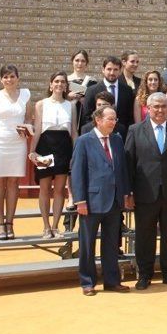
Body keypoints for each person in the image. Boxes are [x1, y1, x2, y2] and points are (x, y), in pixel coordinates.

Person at [125, 93, 167, 289]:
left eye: (164, 106)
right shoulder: (135, 130)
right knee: (144, 236)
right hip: (145, 194)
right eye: (156, 106)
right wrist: (128, 192)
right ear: (148, 107)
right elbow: (129, 164)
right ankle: (144, 275)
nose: (160, 110)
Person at [71, 106, 131, 296]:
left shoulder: (117, 140)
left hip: (113, 201)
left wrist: (125, 193)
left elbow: (122, 170)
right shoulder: (84, 141)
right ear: (98, 120)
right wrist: (80, 201)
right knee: (87, 244)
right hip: (91, 200)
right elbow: (77, 172)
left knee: (112, 244)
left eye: (115, 119)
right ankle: (87, 282)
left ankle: (112, 281)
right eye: (110, 119)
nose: (114, 122)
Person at [0, 65, 33, 240]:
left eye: (12, 76)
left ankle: (10, 223)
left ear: (18, 78)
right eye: (5, 77)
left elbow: (27, 118)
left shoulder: (25, 94)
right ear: (1, 80)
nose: (9, 80)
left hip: (18, 143)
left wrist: (26, 128)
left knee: (13, 182)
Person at [29, 71, 77, 239]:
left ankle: (56, 226)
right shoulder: (41, 104)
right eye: (56, 81)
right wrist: (32, 151)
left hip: (64, 146)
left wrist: (76, 153)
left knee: (59, 189)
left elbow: (73, 132)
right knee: (44, 189)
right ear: (50, 85)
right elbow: (36, 131)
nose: (59, 84)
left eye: (62, 82)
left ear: (66, 86)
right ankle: (46, 226)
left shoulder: (71, 105)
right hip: (45, 145)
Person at [82, 56, 134, 131]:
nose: (112, 73)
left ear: (120, 71)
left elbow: (130, 116)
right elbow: (87, 116)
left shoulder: (127, 90)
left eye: (115, 69)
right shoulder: (92, 90)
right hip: (98, 133)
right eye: (109, 69)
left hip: (121, 134)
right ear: (103, 70)